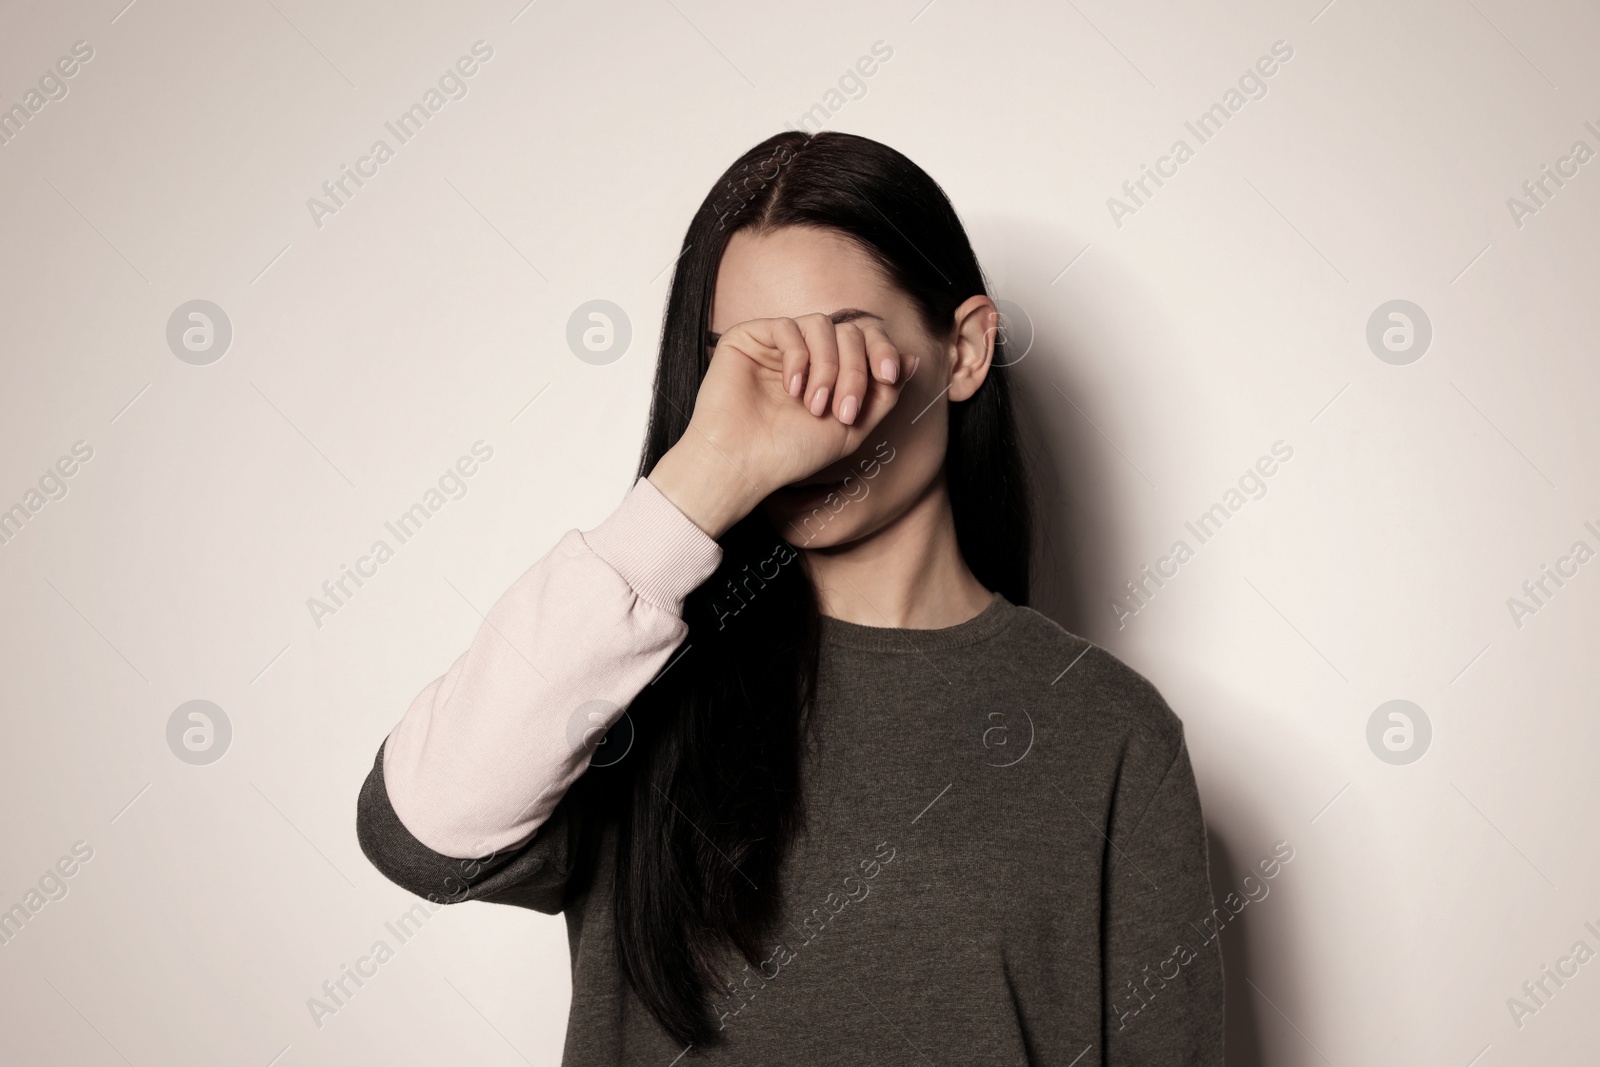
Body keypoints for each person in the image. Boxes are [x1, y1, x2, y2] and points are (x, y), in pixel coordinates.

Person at [357, 130, 1225, 1064]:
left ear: (966, 350)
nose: (803, 402)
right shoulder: (636, 672)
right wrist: (703, 479)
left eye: (842, 340)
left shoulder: (1108, 733)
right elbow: (422, 832)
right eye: (752, 360)